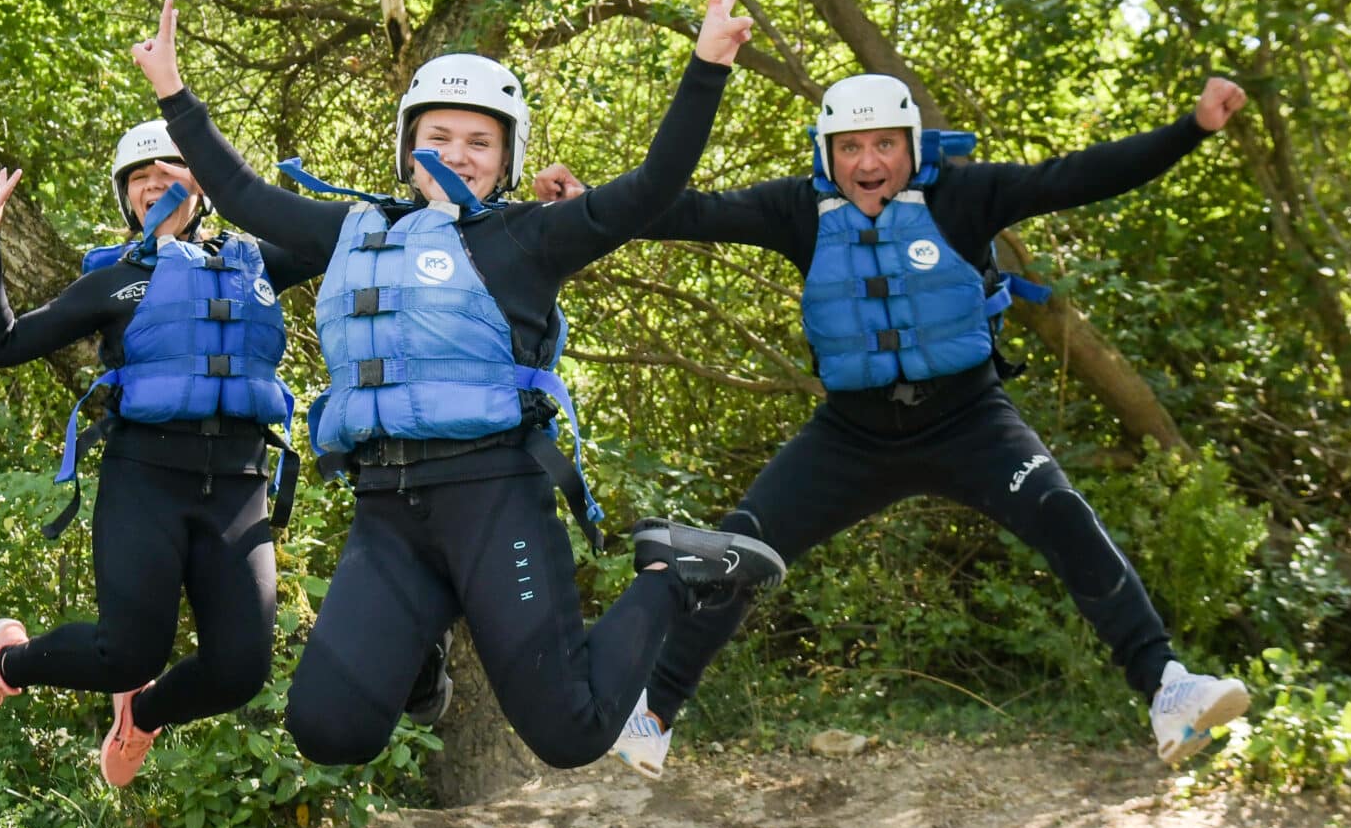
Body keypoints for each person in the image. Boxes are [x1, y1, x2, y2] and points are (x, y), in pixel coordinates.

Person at [118, 0, 786, 770]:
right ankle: (417, 657)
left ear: (507, 158)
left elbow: (652, 189)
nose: (457, 156)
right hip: (388, 511)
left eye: (480, 142)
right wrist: (170, 88)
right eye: (437, 137)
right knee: (328, 731)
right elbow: (243, 194)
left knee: (571, 734)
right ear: (407, 148)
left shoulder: (532, 237)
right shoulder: (354, 232)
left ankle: (674, 570)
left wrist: (707, 63)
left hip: (494, 498)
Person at [537, 71, 1255, 765]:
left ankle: (1167, 688)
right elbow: (687, 210)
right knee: (737, 549)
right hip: (852, 436)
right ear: (827, 156)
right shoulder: (797, 211)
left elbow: (1079, 175)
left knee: (1062, 512)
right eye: (849, 148)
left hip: (971, 419)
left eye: (883, 144)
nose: (867, 162)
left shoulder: (967, 195)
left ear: (911, 146)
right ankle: (652, 716)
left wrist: (1191, 130)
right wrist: (588, 200)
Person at [0, 123, 313, 783]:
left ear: (203, 185)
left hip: (238, 485)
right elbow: (0, 344)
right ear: (125, 197)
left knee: (241, 672)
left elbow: (336, 238)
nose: (154, 184)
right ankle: (4, 664)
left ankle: (142, 715)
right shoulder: (115, 282)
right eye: (139, 177)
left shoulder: (257, 265)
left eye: (172, 169)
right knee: (126, 654)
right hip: (146, 479)